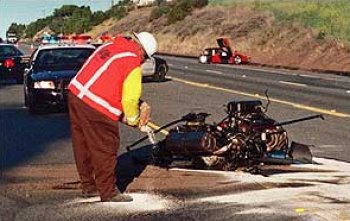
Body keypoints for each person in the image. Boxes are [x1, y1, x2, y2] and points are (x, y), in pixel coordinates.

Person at [67, 32, 157, 202]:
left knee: (83, 145)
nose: (143, 61)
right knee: (105, 147)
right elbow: (129, 99)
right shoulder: (132, 61)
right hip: (96, 103)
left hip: (76, 94)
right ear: (142, 52)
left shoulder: (110, 46)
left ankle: (89, 186)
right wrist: (133, 120)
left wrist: (141, 103)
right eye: (145, 58)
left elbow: (110, 78)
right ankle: (108, 192)